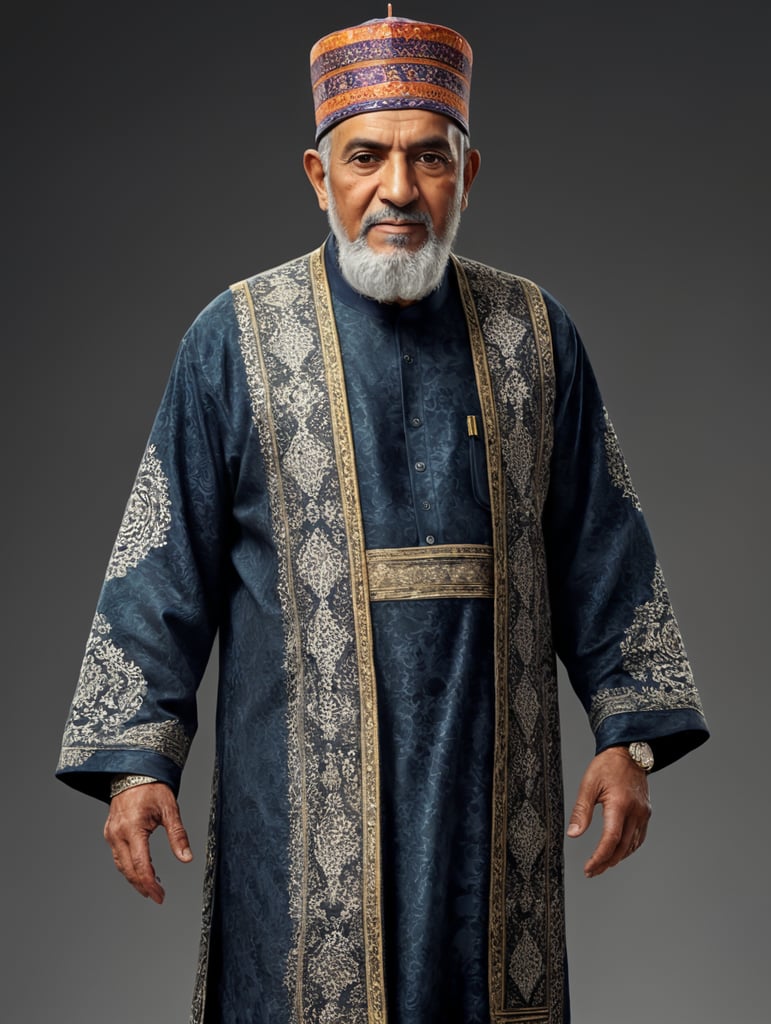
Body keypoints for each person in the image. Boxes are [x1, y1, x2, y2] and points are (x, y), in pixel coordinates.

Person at [57, 10, 708, 1024]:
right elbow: (164, 556)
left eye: (428, 159)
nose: (398, 191)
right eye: (366, 157)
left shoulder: (537, 336)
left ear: (470, 170)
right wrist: (137, 763)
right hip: (296, 821)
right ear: (319, 174)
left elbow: (603, 549)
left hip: (495, 818)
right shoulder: (233, 341)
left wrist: (631, 742)